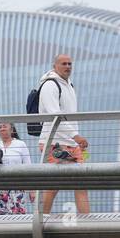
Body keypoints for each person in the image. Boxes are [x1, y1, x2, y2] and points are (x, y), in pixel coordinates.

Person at [36, 54, 90, 216]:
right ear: (55, 66)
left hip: (72, 144)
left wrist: (75, 139)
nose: (67, 66)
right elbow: (55, 115)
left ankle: (88, 225)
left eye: (70, 64)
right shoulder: (50, 85)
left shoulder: (68, 85)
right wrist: (76, 136)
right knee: (54, 184)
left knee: (81, 184)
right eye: (64, 64)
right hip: (55, 143)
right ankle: (41, 220)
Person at [0, 122, 32, 215]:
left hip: (17, 186)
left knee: (18, 214)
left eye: (4, 126)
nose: (2, 129)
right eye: (0, 127)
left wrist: (33, 190)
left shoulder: (20, 144)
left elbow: (28, 166)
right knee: (0, 216)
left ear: (11, 129)